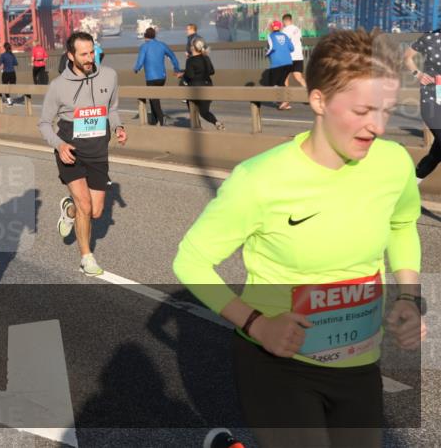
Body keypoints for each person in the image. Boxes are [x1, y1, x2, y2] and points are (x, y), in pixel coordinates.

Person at [173, 29, 424, 448]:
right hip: (277, 360)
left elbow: (401, 226)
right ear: (319, 101)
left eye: (386, 111)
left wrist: (407, 296)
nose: (377, 127)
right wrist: (258, 325)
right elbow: (190, 261)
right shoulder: (259, 180)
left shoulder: (394, 163)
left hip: (359, 361)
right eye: (363, 110)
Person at [38, 31, 126, 276]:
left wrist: (118, 126)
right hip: (71, 151)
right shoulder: (58, 86)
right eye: (84, 54)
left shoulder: (109, 76)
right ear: (71, 55)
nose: (90, 59)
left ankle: (69, 209)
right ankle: (87, 258)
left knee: (95, 211)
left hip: (98, 150)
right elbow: (44, 123)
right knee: (85, 204)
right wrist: (59, 145)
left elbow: (113, 109)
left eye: (92, 53)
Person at [404, 28, 441, 182]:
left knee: (436, 154)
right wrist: (417, 74)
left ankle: (409, 186)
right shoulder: (430, 38)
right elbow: (407, 57)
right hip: (432, 100)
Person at [133, 26, 181, 125]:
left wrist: (136, 69)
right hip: (162, 78)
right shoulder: (162, 45)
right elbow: (173, 56)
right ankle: (154, 120)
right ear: (154, 36)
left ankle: (161, 119)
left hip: (151, 78)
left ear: (145, 37)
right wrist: (176, 69)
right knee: (153, 98)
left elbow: (140, 62)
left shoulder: (144, 46)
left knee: (154, 99)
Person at [183, 38, 224, 130]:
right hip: (208, 87)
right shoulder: (206, 58)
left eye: (191, 45)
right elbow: (212, 71)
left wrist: (184, 74)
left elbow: (190, 76)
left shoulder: (190, 61)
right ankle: (216, 122)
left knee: (193, 110)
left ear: (193, 48)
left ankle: (197, 129)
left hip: (195, 89)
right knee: (204, 112)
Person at [264, 20, 295, 110]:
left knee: (272, 83)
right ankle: (285, 101)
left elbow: (271, 48)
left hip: (277, 63)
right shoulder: (285, 36)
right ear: (280, 27)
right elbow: (292, 48)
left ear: (271, 28)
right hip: (288, 63)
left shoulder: (270, 36)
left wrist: (266, 54)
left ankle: (283, 100)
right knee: (281, 82)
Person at [281, 13, 306, 88]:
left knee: (285, 78)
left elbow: (284, 44)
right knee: (299, 77)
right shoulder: (297, 29)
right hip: (299, 57)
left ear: (284, 21)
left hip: (289, 57)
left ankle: (286, 99)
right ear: (291, 20)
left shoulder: (285, 31)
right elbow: (300, 40)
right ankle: (309, 94)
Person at [0, 42, 18, 106]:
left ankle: (9, 101)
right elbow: (16, 63)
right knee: (12, 86)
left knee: (5, 87)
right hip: (12, 73)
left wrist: (2, 64)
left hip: (5, 73)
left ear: (4, 48)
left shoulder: (3, 55)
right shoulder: (12, 55)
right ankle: (12, 99)